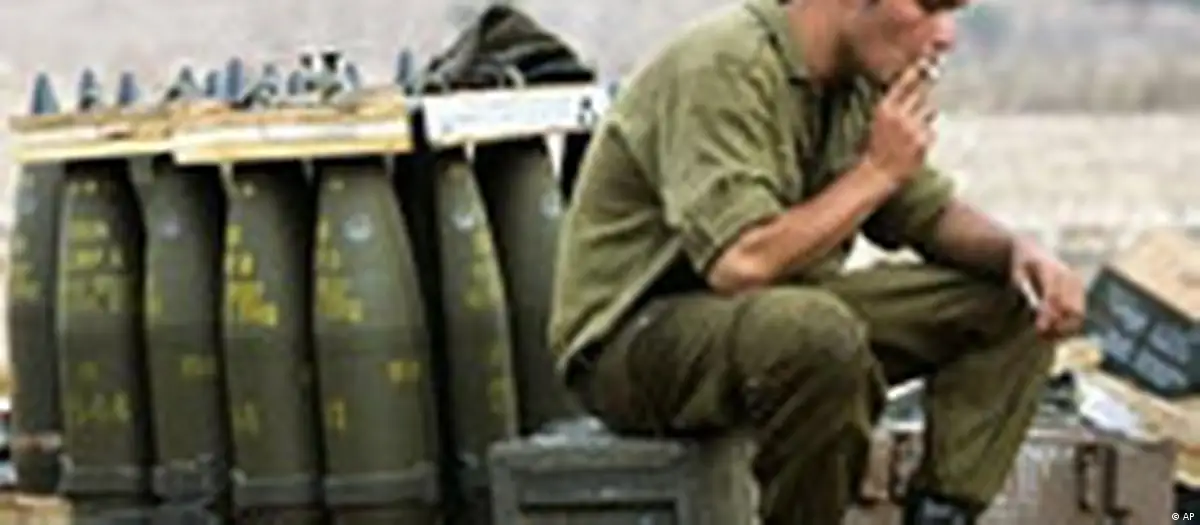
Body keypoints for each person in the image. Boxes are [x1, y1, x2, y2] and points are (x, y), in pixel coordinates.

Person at [548, 0, 1086, 523]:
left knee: (1016, 303)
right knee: (818, 333)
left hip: (773, 320)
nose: (946, 36)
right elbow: (742, 261)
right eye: (928, 7)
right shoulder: (725, 64)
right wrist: (877, 172)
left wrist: (1019, 252)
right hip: (636, 343)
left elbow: (923, 212)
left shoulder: (855, 83)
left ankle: (943, 511)